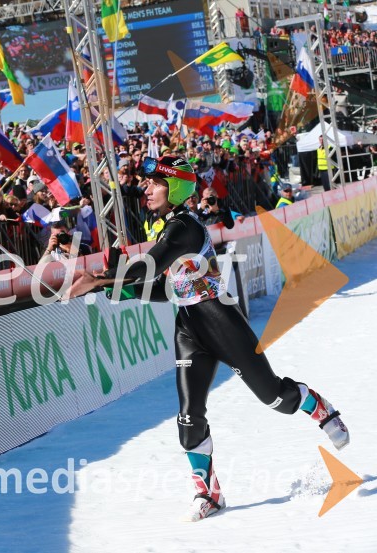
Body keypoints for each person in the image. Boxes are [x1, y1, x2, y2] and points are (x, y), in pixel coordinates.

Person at [68, 156, 349, 521]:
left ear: (176, 188)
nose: (146, 189)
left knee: (275, 397)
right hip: (188, 327)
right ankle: (209, 494)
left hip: (219, 318)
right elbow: (167, 288)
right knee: (188, 416)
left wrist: (104, 279)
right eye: (147, 184)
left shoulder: (182, 227)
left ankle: (322, 409)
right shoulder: (167, 227)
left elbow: (150, 265)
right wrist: (114, 289)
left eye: (155, 184)